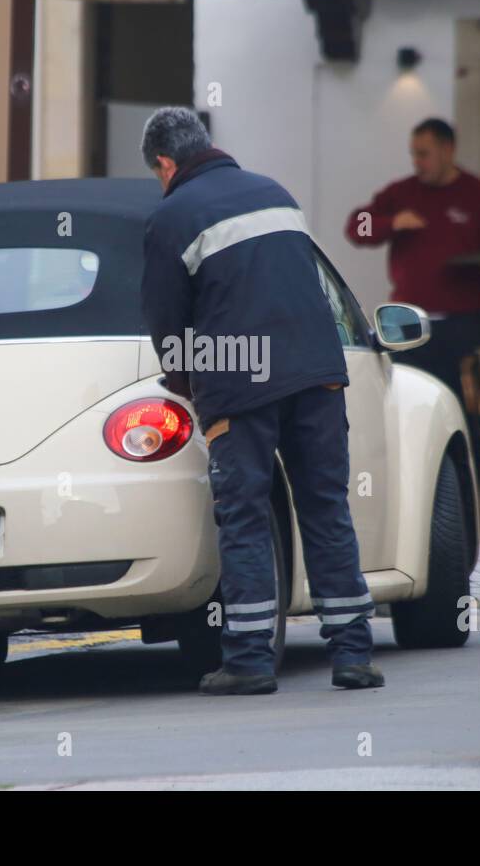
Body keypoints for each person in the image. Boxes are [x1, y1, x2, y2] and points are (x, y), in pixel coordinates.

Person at [139, 107, 383, 695]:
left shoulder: (172, 216)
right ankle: (353, 655)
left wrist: (183, 381)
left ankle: (249, 660)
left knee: (244, 514)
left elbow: (168, 323)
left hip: (241, 382)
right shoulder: (274, 192)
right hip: (316, 373)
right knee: (324, 504)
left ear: (166, 164)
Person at [345, 118, 480, 462]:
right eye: (413, 154)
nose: (417, 162)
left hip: (460, 323)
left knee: (458, 406)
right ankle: (406, 473)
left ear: (448, 151)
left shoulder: (479, 195)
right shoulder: (402, 193)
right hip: (405, 323)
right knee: (403, 403)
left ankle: (461, 483)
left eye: (424, 154)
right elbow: (356, 227)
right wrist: (391, 223)